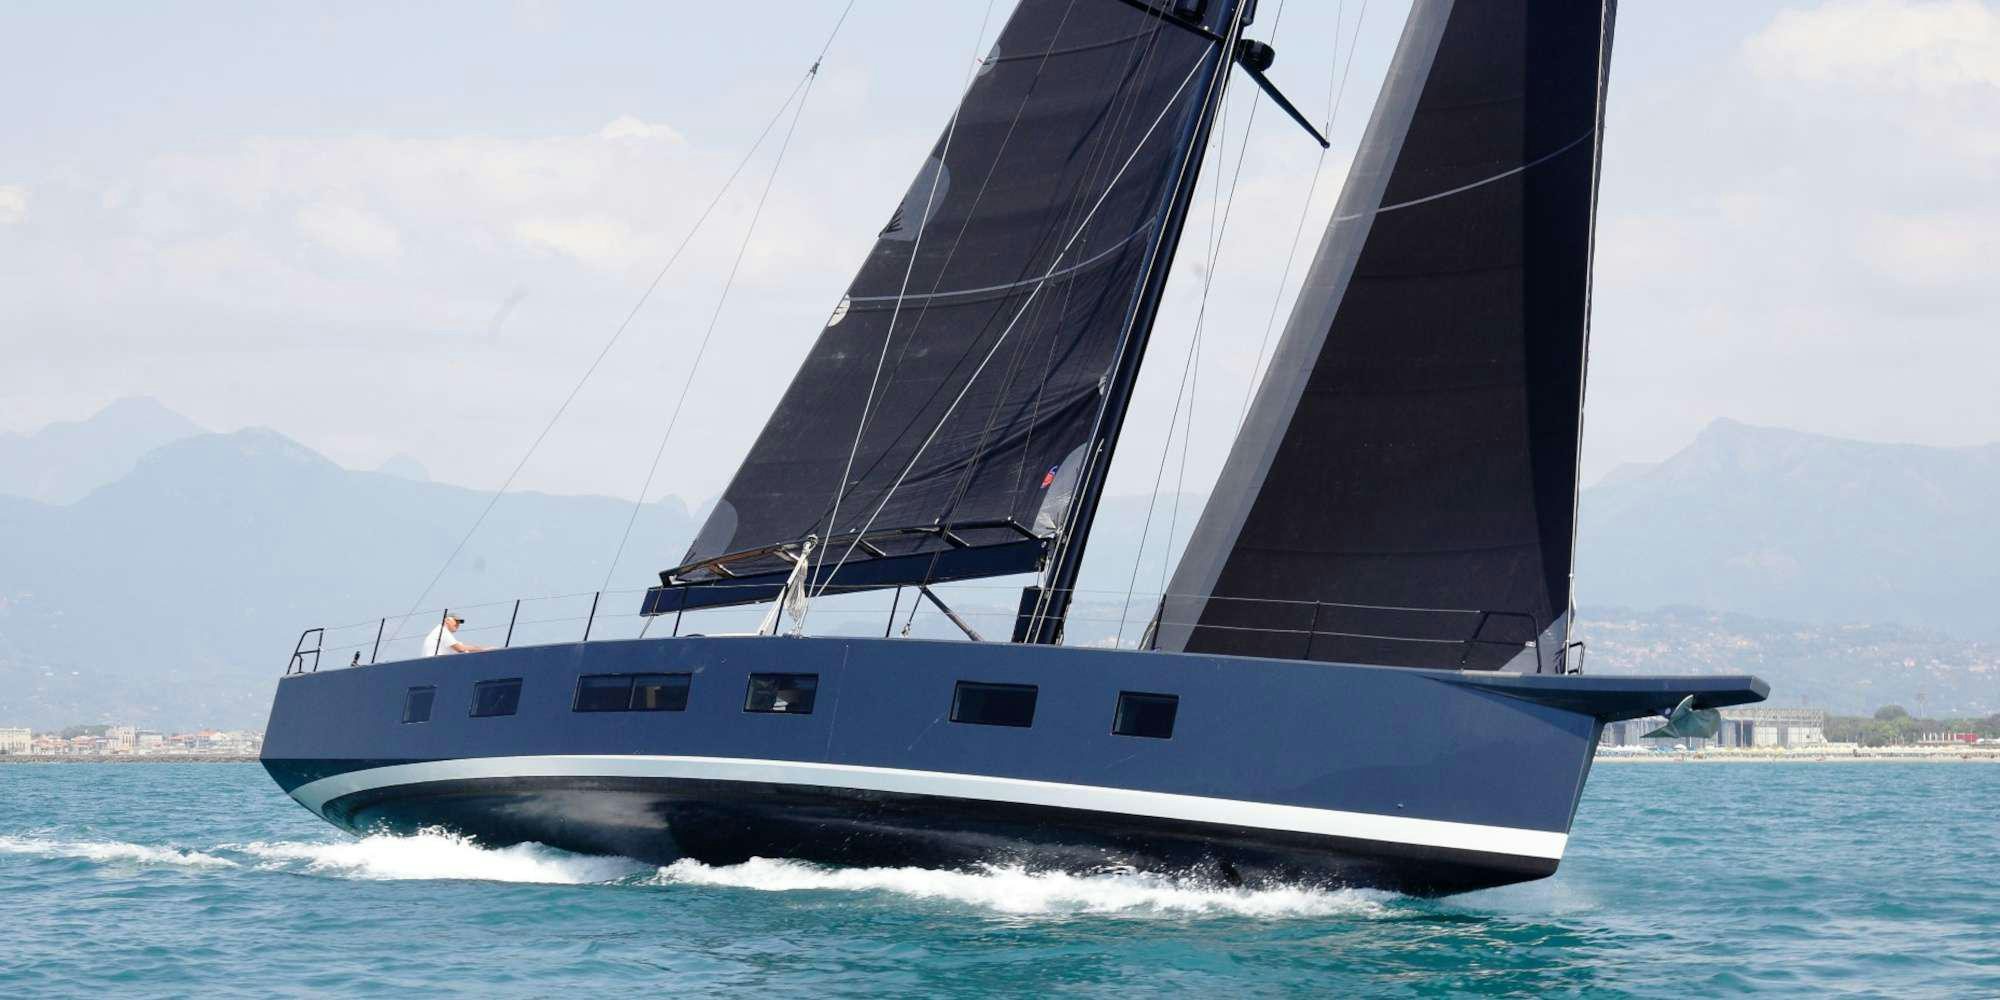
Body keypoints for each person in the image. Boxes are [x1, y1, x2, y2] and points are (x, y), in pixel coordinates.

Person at [421, 614, 486, 656]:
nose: (458, 624)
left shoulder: (440, 630)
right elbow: (460, 649)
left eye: (459, 623)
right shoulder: (443, 631)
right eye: (456, 621)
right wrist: (484, 649)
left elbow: (460, 648)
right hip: (436, 664)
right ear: (446, 620)